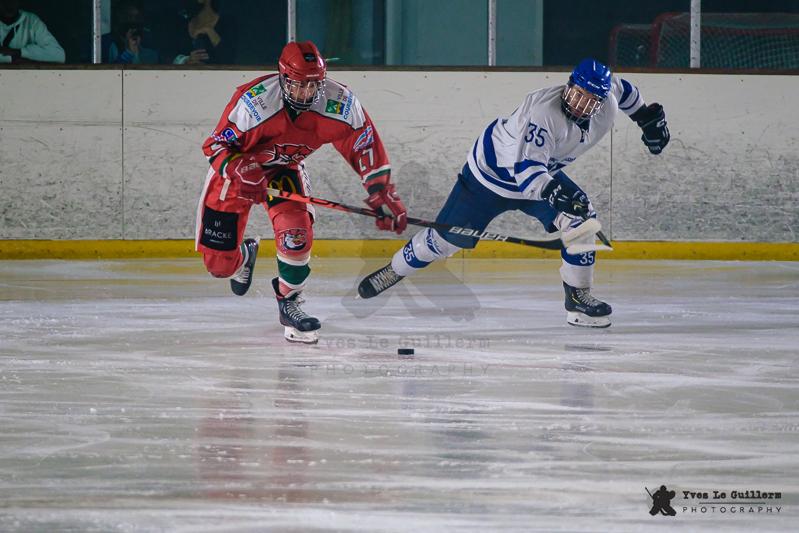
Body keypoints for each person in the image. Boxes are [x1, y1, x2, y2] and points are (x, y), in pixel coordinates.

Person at [358, 59, 669, 328]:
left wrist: (644, 116)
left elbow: (624, 90)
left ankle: (578, 299)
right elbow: (527, 173)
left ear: (600, 102)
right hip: (489, 178)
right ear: (569, 85)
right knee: (443, 242)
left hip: (540, 174)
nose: (580, 104)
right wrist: (556, 193)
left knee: (582, 221)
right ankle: (394, 270)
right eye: (577, 94)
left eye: (590, 101)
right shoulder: (543, 113)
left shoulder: (608, 98)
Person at [196, 40, 407, 344]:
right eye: (297, 85)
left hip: (284, 170)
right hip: (237, 175)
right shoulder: (254, 102)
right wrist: (240, 167)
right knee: (219, 266)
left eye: (312, 85)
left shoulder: (340, 103)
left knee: (295, 235)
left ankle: (290, 303)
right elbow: (215, 146)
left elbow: (365, 145)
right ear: (283, 78)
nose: (305, 93)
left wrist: (381, 192)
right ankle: (244, 257)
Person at [0, 0, 64, 64]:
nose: (9, 4)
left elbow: (59, 55)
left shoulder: (32, 21)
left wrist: (18, 52)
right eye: (4, 1)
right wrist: (19, 60)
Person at [102, 0, 159, 64]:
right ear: (117, 18)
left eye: (137, 17)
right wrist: (128, 53)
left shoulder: (150, 44)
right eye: (127, 17)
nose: (132, 21)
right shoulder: (102, 43)